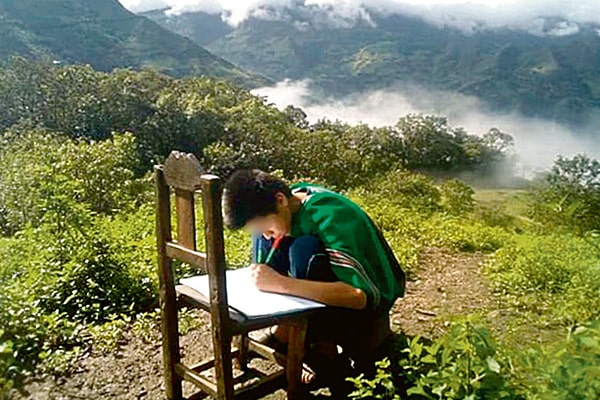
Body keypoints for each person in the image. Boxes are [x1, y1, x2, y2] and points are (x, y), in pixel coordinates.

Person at [222, 169, 405, 390]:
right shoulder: (283, 210)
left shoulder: (330, 216)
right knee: (272, 242)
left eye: (264, 226)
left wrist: (281, 284)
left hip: (366, 305)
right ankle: (291, 336)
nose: (265, 234)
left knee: (303, 249)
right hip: (320, 293)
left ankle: (322, 351)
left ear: (280, 200)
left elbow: (359, 296)